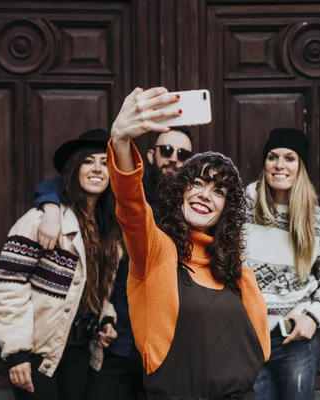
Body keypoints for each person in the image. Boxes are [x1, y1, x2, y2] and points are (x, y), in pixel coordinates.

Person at [108, 87, 270, 399]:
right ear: (181, 191)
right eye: (196, 183)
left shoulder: (233, 266)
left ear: (227, 208)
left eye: (219, 191)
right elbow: (131, 206)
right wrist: (120, 141)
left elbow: (258, 344)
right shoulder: (157, 250)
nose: (205, 195)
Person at [32, 127, 194, 400]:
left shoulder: (197, 202)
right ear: (152, 155)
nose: (173, 158)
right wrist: (49, 204)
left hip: (168, 348)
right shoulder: (128, 193)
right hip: (117, 342)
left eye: (183, 153)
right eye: (166, 150)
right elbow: (66, 182)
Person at [0, 128, 122, 400]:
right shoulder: (41, 220)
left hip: (80, 350)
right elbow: (8, 286)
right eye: (88, 161)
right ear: (75, 169)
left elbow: (96, 287)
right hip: (38, 353)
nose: (97, 169)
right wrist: (16, 352)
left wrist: (105, 319)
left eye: (105, 163)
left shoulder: (109, 231)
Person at [243, 128, 320, 400]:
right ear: (264, 164)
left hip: (295, 340)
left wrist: (313, 317)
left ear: (301, 167)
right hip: (246, 338)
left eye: (290, 158)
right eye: (272, 157)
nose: (279, 165)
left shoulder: (317, 221)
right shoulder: (241, 208)